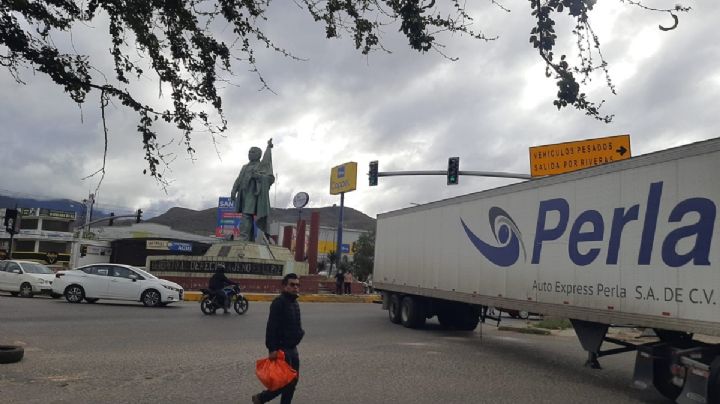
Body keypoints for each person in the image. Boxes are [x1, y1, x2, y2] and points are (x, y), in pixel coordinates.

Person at [252, 273, 304, 404]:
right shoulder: (278, 303)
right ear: (285, 286)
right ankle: (262, 398)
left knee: (293, 381)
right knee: (285, 381)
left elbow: (297, 324)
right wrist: (272, 349)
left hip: (293, 349)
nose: (295, 287)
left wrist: (300, 333)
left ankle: (262, 398)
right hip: (282, 349)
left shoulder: (295, 303)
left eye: (297, 285)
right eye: (292, 284)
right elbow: (271, 327)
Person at [231, 138, 275, 242]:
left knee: (246, 215)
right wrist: (234, 190)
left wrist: (259, 177)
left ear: (259, 154)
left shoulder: (261, 166)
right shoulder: (244, 167)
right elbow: (239, 179)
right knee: (247, 215)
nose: (250, 154)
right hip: (243, 193)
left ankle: (243, 237)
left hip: (254, 194)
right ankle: (249, 238)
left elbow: (270, 178)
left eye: (253, 152)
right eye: (249, 152)